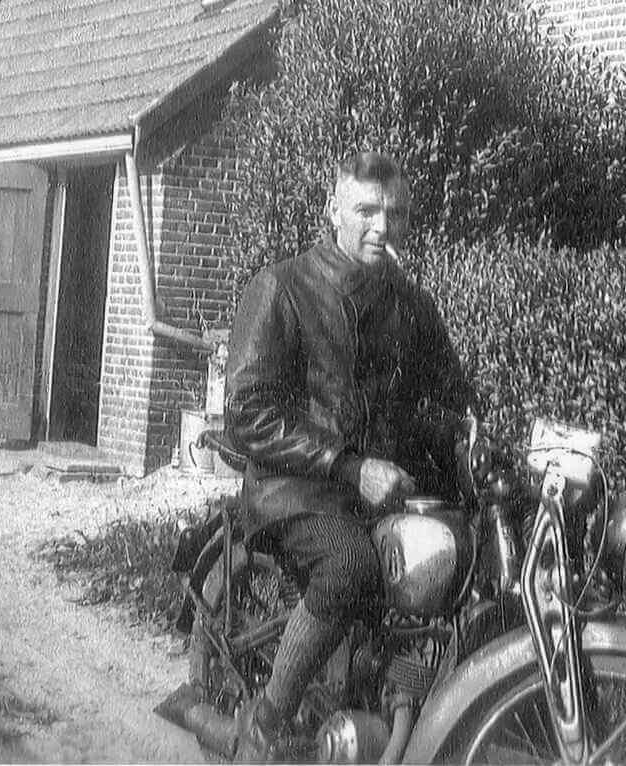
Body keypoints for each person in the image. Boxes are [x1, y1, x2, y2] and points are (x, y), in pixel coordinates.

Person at [223, 151, 473, 759]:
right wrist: (347, 465)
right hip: (295, 489)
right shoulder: (281, 286)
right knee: (353, 564)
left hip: (382, 490)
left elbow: (445, 397)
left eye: (395, 213)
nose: (381, 226)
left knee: (461, 561)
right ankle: (266, 720)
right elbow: (247, 413)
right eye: (366, 210)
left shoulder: (408, 303)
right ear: (334, 210)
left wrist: (469, 438)